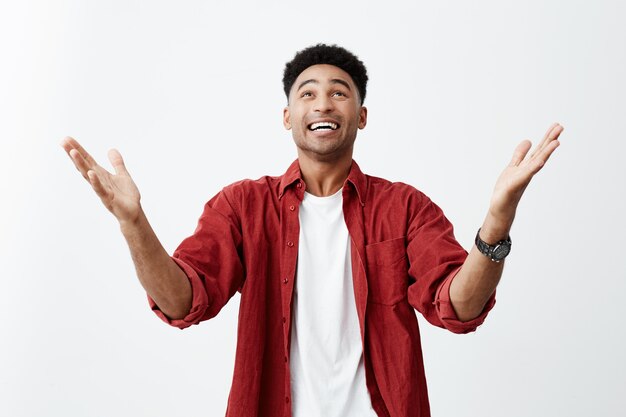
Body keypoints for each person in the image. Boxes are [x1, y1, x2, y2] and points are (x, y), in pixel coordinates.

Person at [61, 44, 563, 417]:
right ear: (288, 116)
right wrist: (133, 222)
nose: (323, 104)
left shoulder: (405, 207)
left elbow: (460, 307)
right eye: (308, 93)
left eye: (339, 93)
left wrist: (498, 218)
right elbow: (181, 301)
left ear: (361, 116)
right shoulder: (242, 205)